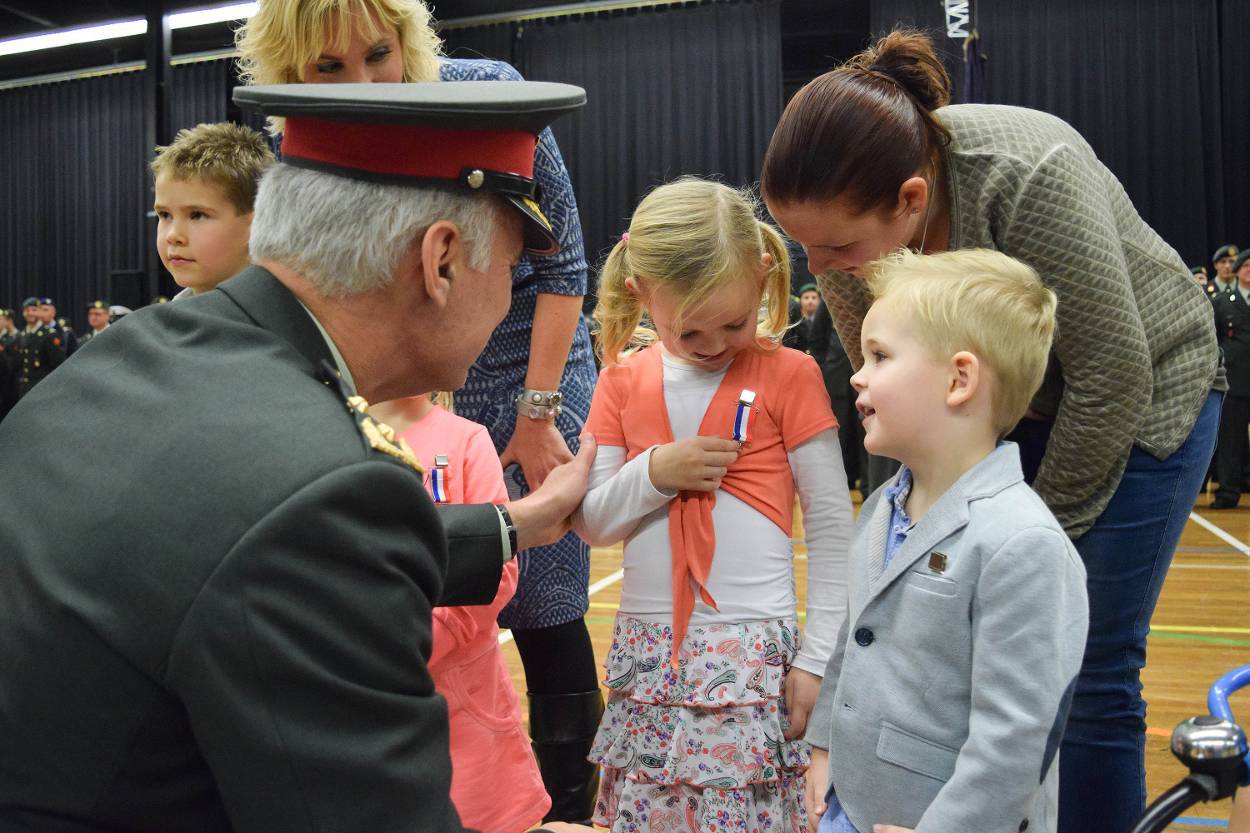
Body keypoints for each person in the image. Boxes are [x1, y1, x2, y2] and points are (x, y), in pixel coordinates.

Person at [0, 81, 596, 833]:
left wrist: (519, 524)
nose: (511, 296)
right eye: (511, 265)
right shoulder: (324, 488)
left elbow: (226, 540)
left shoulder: (134, 356)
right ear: (440, 261)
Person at [761, 30, 1222, 833]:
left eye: (835, 245)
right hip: (1021, 409)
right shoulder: (845, 246)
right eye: (801, 242)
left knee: (1091, 674)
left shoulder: (1028, 172)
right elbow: (892, 414)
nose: (819, 264)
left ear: (910, 200)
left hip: (1144, 396)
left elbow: (1114, 376)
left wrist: (1021, 548)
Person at [235, 5, 604, 819]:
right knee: (406, 594)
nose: (366, 86)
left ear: (411, 40)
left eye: (379, 53)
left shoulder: (490, 95)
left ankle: (565, 801)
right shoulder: (292, 142)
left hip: (524, 369)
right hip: (396, 377)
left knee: (542, 600)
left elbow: (566, 266)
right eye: (327, 69)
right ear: (289, 76)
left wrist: (537, 415)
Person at [574, 177, 853, 832]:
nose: (712, 344)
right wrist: (655, 471)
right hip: (652, 668)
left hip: (755, 672)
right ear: (643, 293)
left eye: (733, 322)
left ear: (763, 277)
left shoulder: (790, 374)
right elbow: (592, 522)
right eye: (687, 329)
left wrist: (818, 660)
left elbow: (835, 530)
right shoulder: (619, 383)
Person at [805, 247, 1088, 833]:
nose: (857, 373)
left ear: (960, 380)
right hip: (850, 804)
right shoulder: (883, 506)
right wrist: (826, 744)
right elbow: (851, 646)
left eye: (879, 355)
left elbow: (1015, 736)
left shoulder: (1022, 542)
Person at [370, 392, 552, 833]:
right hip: (369, 714)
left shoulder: (466, 439)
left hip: (467, 722)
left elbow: (496, 573)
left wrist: (412, 647)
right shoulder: (332, 436)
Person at [151, 122, 275, 297]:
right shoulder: (174, 314)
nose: (173, 236)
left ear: (256, 224)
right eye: (165, 215)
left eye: (197, 215)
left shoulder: (278, 318)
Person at [1211, 249, 1250, 508]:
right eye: (1246, 265)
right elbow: (1214, 339)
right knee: (1231, 440)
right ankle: (1227, 493)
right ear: (1236, 270)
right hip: (1236, 380)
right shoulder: (1224, 301)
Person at [14, 295, 66, 400]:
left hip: (42, 389)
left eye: (34, 310)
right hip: (23, 389)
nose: (30, 313)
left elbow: (58, 364)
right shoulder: (22, 335)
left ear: (40, 312)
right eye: (27, 310)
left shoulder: (49, 334)